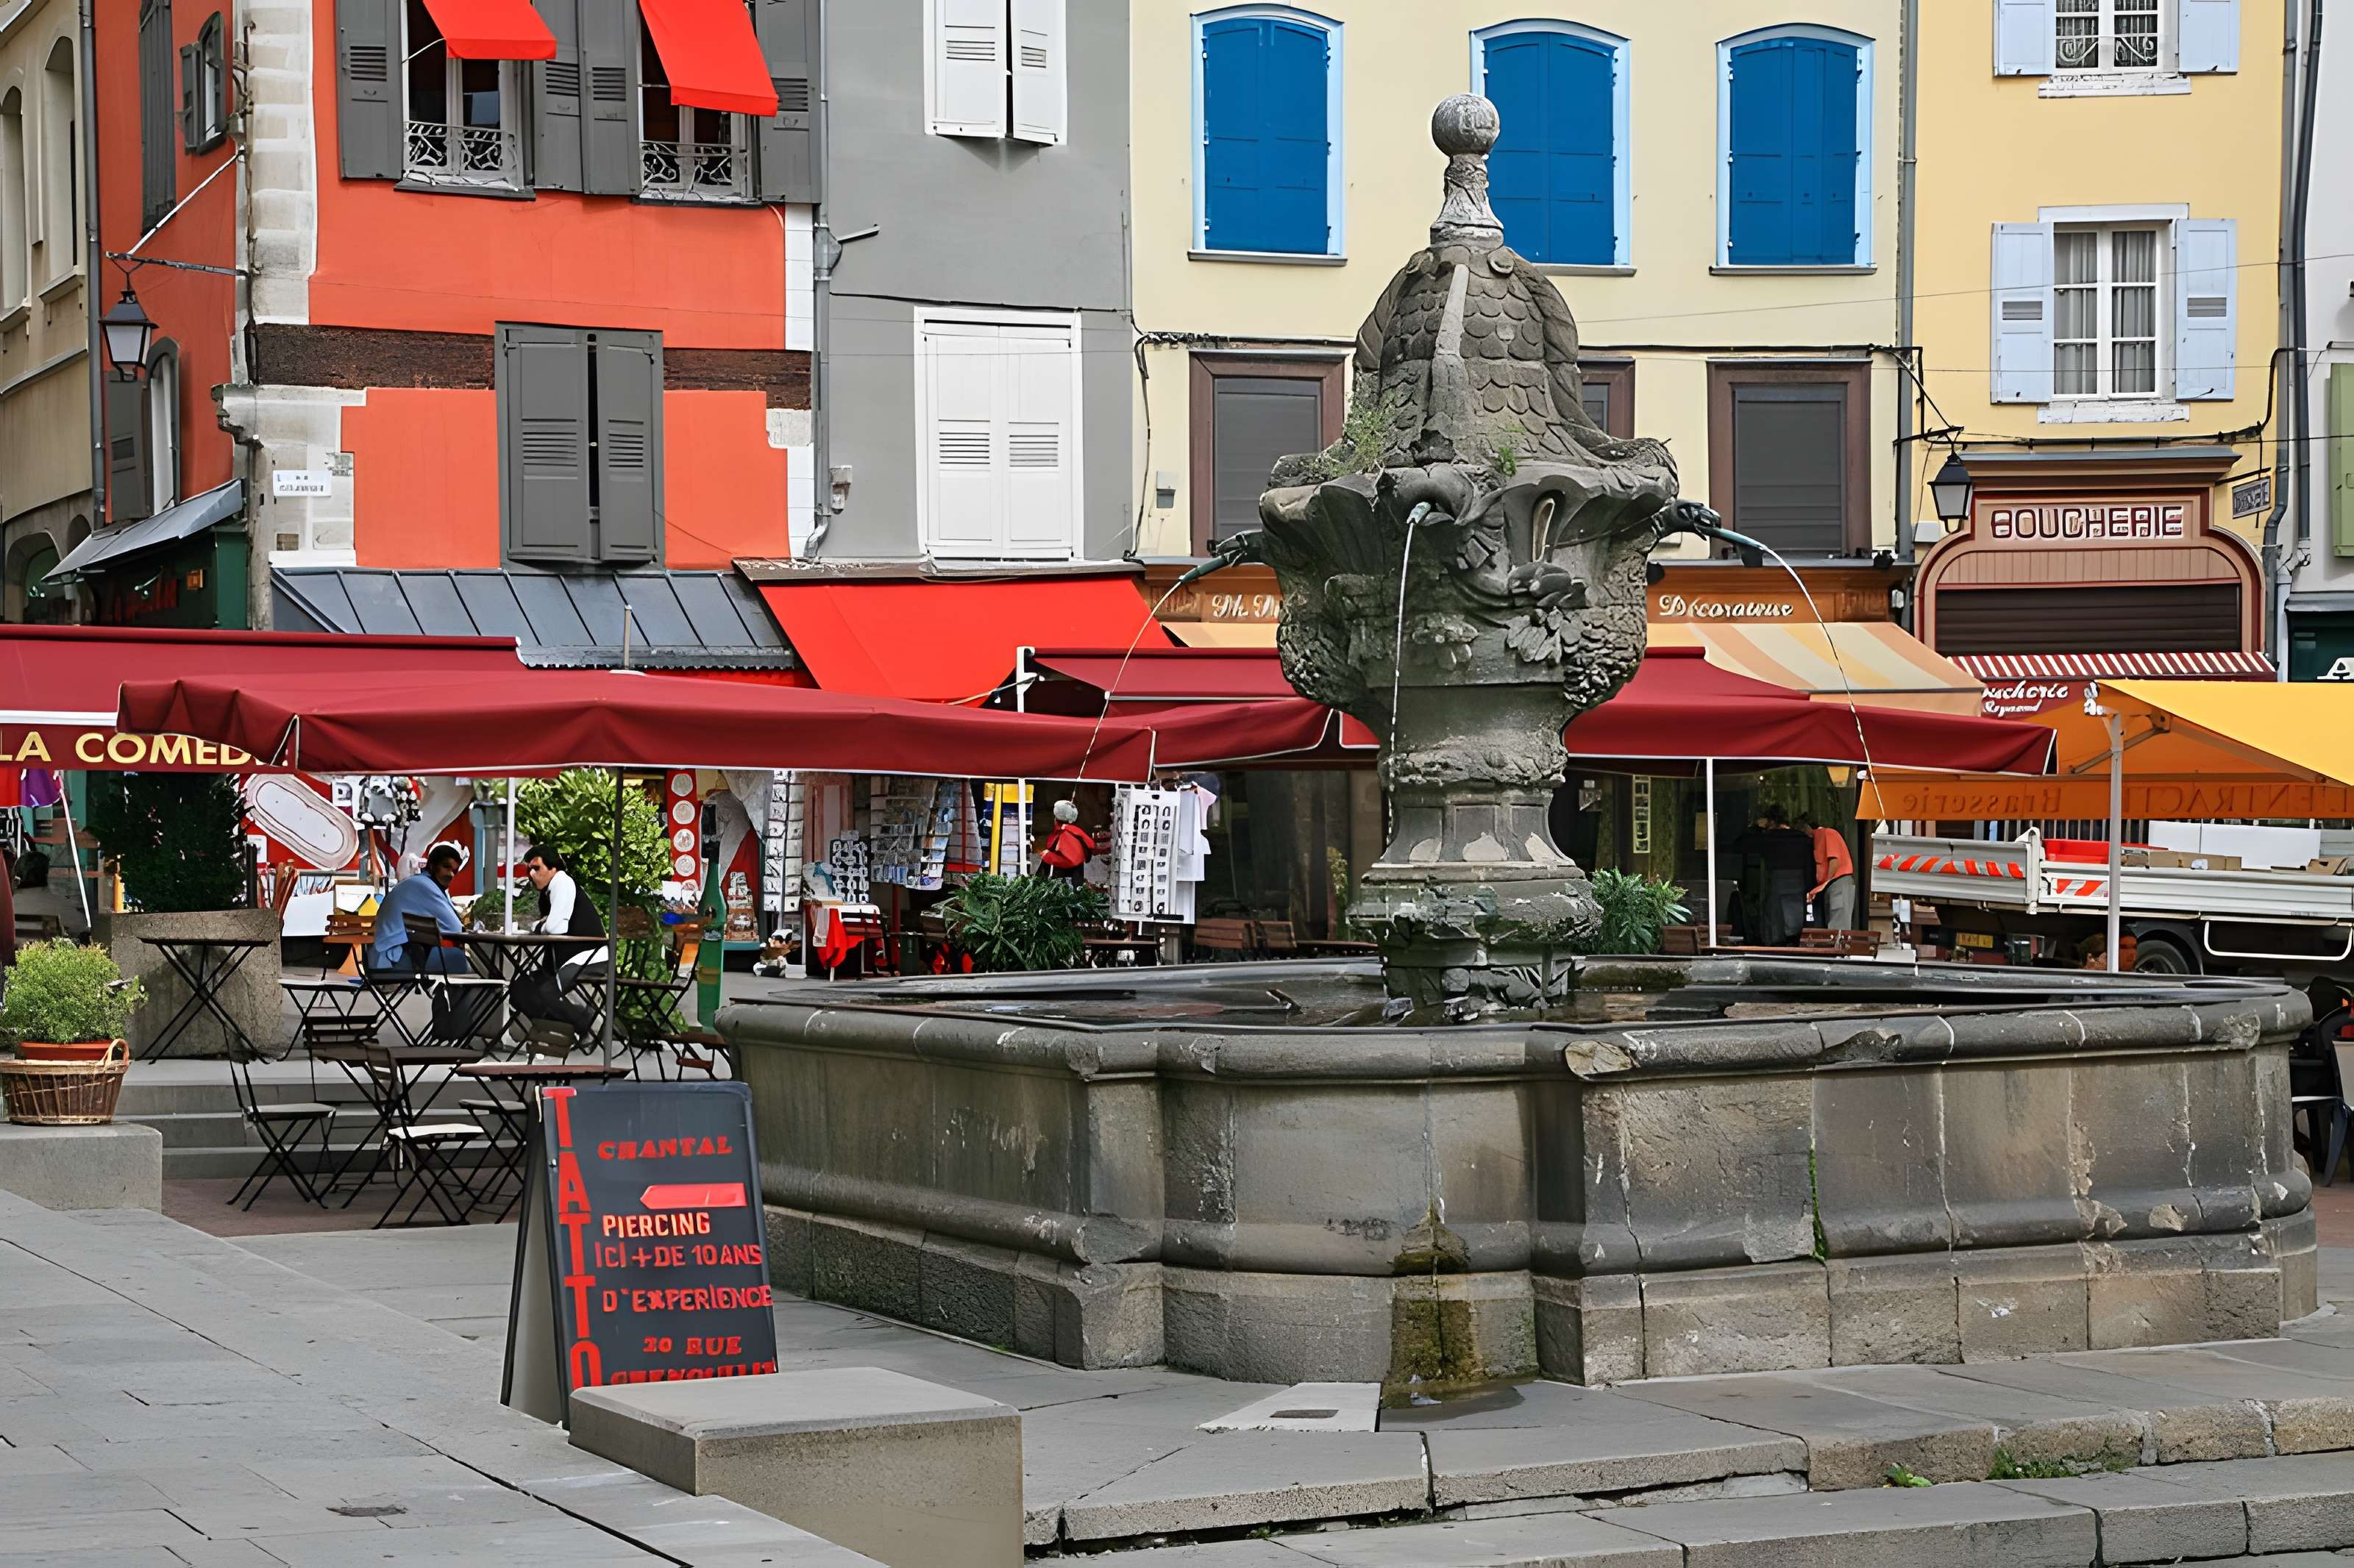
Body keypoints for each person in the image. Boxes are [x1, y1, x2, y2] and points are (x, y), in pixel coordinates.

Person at [513, 844, 604, 1038]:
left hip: (590, 956)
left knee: (547, 991)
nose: (531, 874)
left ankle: (584, 1027)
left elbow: (556, 928)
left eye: (536, 868)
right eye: (529, 869)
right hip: (568, 958)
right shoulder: (546, 893)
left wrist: (539, 926)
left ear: (553, 868)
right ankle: (561, 1030)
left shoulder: (562, 882)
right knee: (520, 988)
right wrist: (542, 925)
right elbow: (550, 929)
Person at [369, 844, 471, 974]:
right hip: (392, 960)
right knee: (459, 959)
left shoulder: (419, 882)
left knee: (455, 957)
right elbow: (456, 929)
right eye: (446, 867)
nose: (451, 874)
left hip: (383, 957)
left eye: (454, 871)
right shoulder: (425, 886)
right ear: (432, 866)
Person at [1735, 806, 1813, 946]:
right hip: (1800, 885)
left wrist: (1757, 827)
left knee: (1777, 926)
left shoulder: (1768, 838)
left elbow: (1739, 844)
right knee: (1796, 923)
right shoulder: (1803, 839)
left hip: (1778, 883)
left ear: (1770, 822)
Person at [1799, 813, 1857, 933]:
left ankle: (1839, 944)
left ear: (1807, 827)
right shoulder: (1817, 839)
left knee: (1838, 924)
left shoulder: (1827, 833)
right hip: (1831, 885)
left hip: (1838, 882)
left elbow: (1834, 862)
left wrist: (1825, 883)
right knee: (1832, 923)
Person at [1037, 799, 1098, 881]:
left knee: (1046, 855)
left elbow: (1049, 851)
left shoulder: (1060, 835)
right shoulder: (1078, 833)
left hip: (1061, 883)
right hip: (1077, 880)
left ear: (1056, 820)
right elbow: (1089, 851)